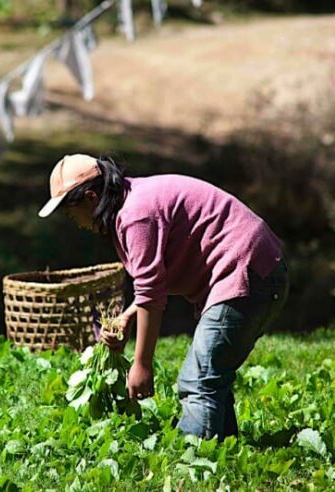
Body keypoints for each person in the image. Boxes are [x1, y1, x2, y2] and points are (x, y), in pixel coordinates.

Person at [38, 153, 289, 440]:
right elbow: (154, 282)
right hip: (262, 272)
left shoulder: (136, 215)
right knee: (211, 376)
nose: (76, 223)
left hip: (248, 274)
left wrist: (142, 364)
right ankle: (225, 449)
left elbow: (151, 294)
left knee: (197, 381)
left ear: (91, 198)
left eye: (72, 214)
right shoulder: (131, 203)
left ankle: (193, 461)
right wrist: (127, 317)